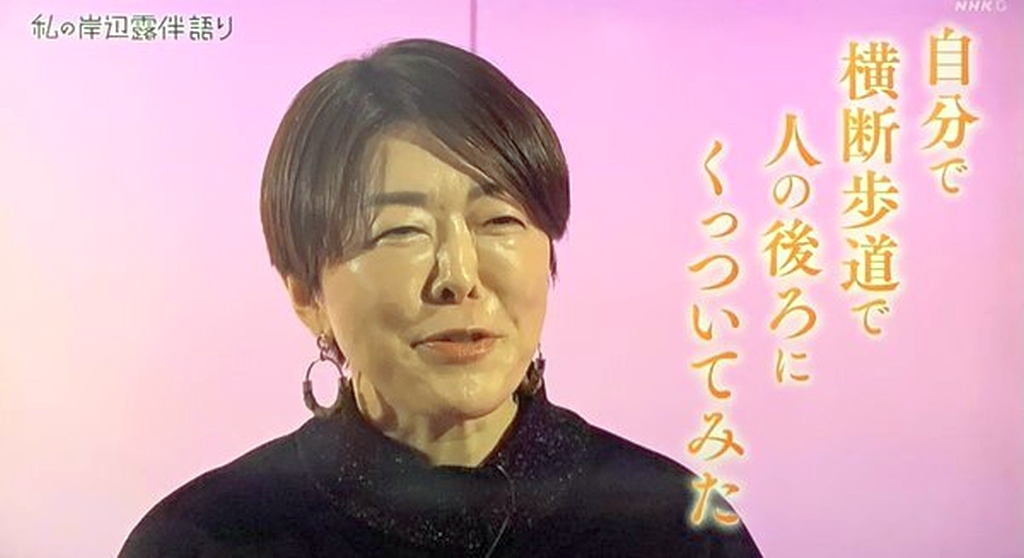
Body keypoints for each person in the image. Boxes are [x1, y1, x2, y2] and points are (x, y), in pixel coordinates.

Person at [119, 38, 762, 557]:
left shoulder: (676, 527)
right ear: (307, 293)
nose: (459, 275)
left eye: (499, 221)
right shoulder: (205, 538)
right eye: (400, 231)